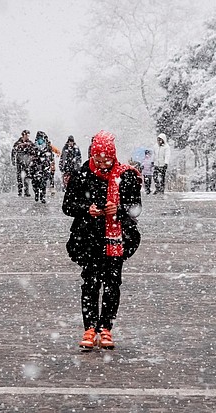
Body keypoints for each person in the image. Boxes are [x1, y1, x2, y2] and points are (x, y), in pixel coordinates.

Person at [63, 130, 142, 350]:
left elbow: (136, 208)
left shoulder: (125, 176)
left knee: (112, 284)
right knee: (90, 283)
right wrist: (87, 209)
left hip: (116, 240)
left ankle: (106, 327)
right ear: (93, 155)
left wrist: (118, 209)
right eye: (99, 158)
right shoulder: (82, 175)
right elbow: (67, 206)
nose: (103, 163)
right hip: (88, 239)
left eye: (107, 158)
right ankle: (89, 327)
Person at [30, 131, 54, 203]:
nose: (40, 139)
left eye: (41, 137)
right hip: (35, 166)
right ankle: (36, 193)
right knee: (35, 182)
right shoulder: (33, 146)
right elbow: (31, 154)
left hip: (44, 166)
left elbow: (51, 155)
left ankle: (43, 196)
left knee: (43, 181)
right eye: (38, 137)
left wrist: (48, 160)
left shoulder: (47, 146)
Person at [11, 130, 35, 197]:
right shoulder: (18, 143)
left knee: (27, 176)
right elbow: (13, 152)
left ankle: (26, 191)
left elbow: (34, 151)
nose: (27, 136)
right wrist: (13, 160)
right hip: (19, 161)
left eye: (28, 135)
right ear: (23, 135)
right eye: (26, 135)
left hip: (27, 161)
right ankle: (20, 191)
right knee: (19, 176)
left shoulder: (30, 143)